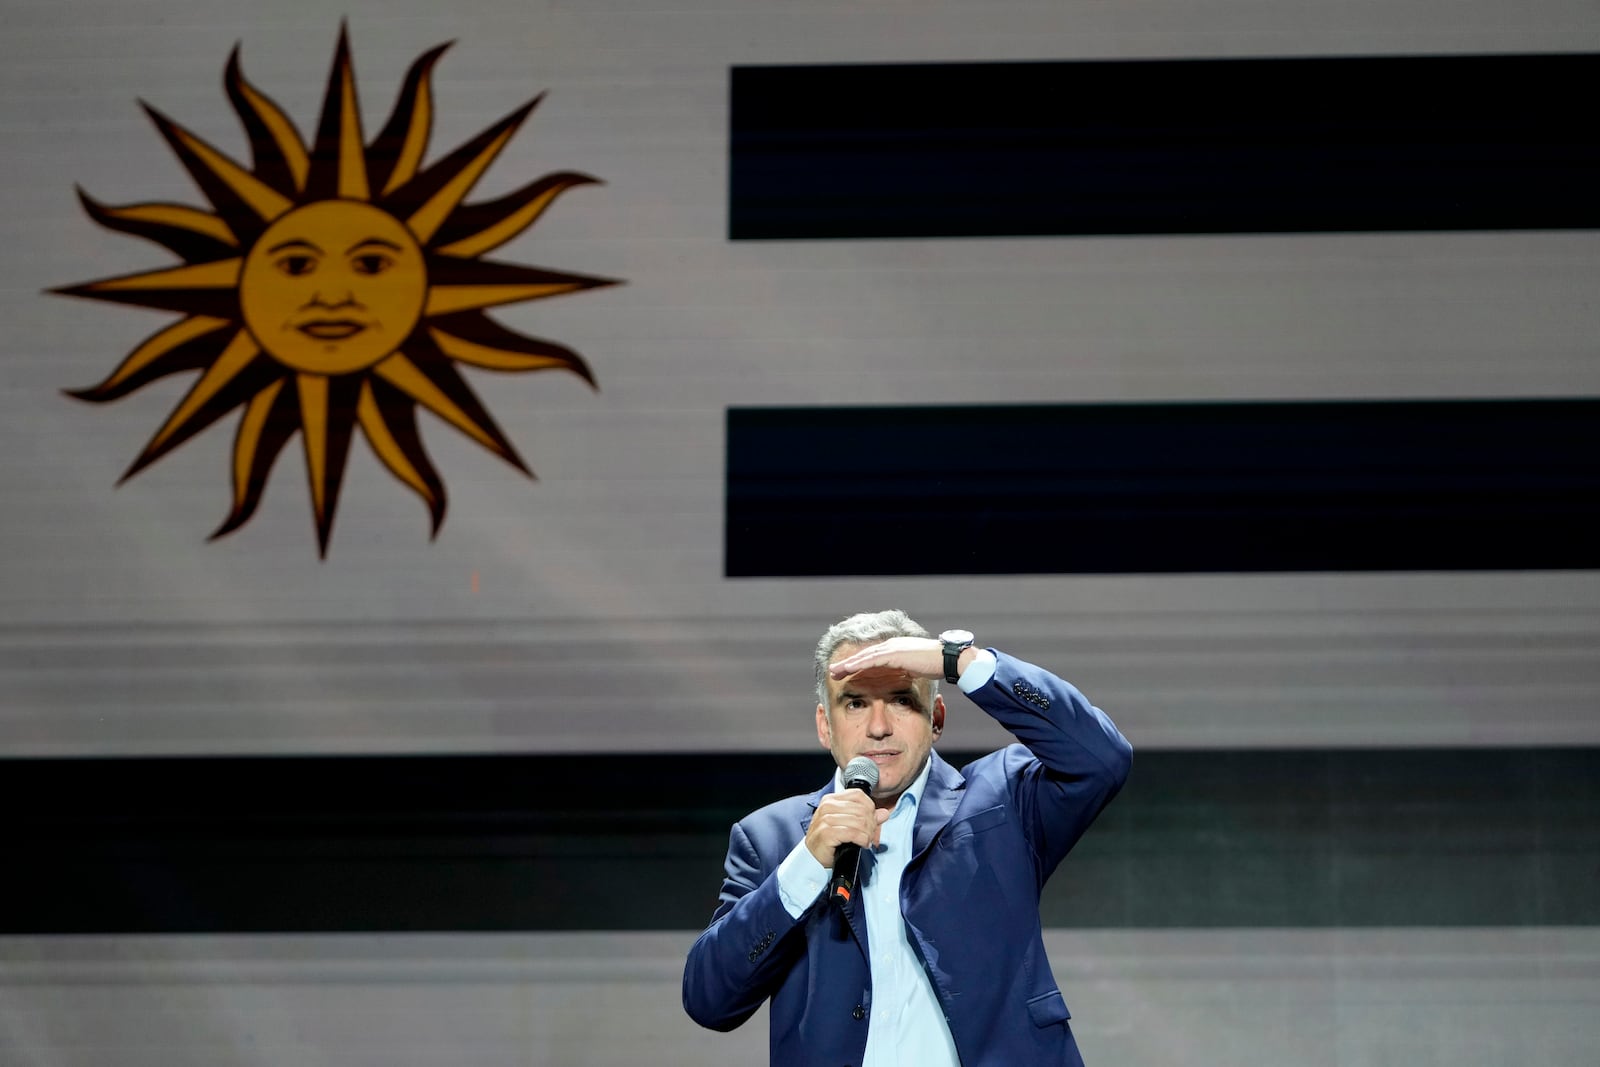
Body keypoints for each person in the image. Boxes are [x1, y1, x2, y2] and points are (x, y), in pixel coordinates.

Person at [682, 609, 1132, 1066]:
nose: (879, 727)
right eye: (855, 703)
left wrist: (959, 661)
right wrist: (807, 865)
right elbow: (710, 1001)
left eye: (901, 700)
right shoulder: (770, 838)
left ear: (936, 717)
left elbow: (1101, 758)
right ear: (825, 725)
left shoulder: (1004, 801)